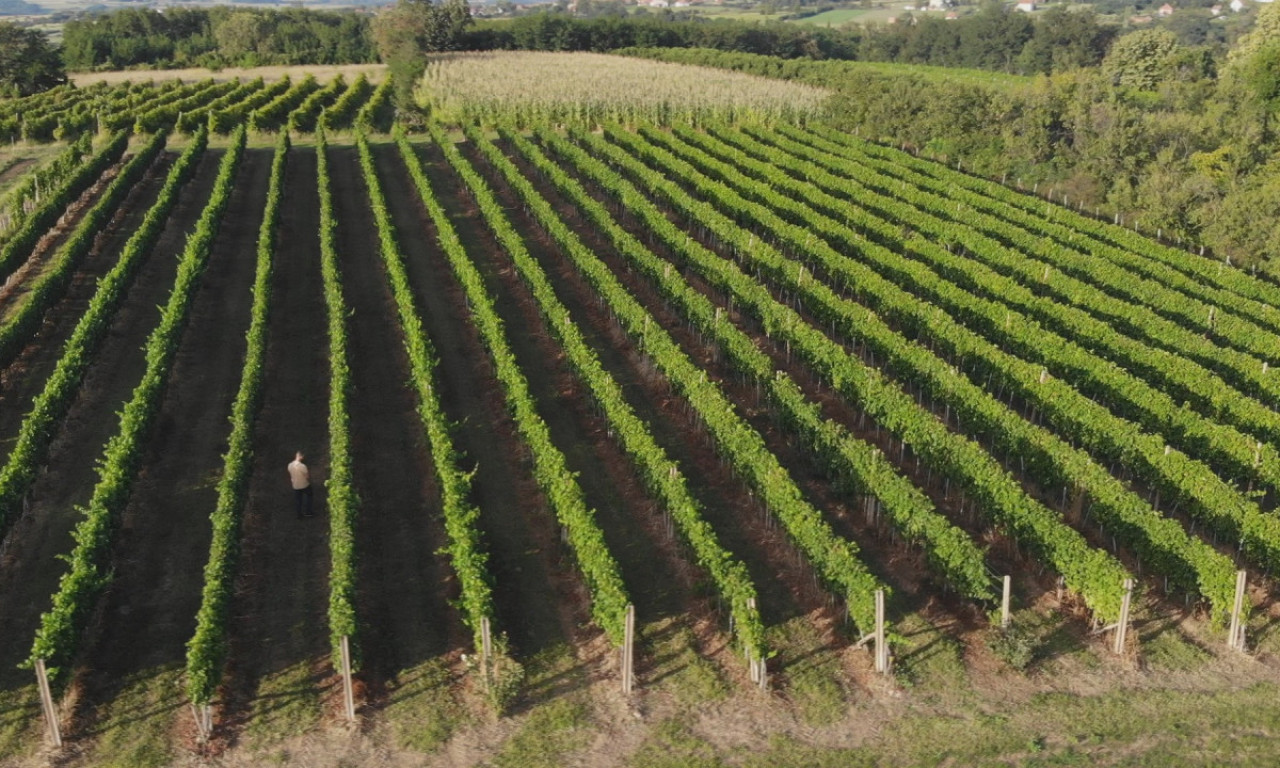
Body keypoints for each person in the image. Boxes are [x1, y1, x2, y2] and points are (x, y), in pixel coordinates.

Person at [289, 451, 313, 519]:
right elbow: (307, 476)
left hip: (295, 486)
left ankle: (299, 515)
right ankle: (308, 512)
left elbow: (291, 476)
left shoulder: (290, 465)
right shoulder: (302, 466)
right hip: (304, 485)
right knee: (309, 496)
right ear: (301, 457)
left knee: (298, 500)